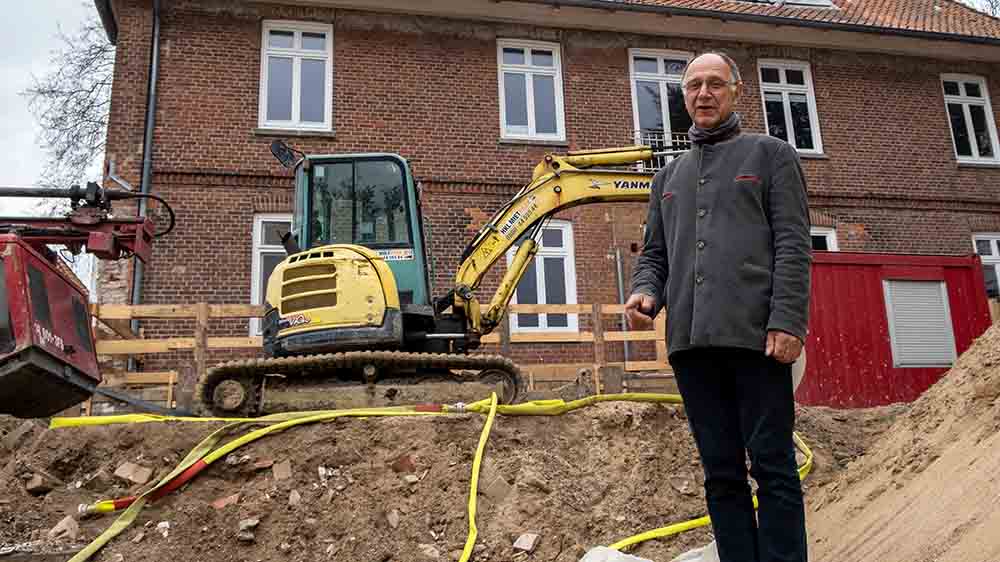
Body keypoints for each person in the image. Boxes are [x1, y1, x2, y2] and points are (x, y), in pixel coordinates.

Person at [625, 51, 812, 562]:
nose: (703, 94)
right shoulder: (667, 178)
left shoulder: (771, 155)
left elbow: (793, 244)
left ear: (735, 91)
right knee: (720, 473)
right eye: (694, 86)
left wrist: (788, 320)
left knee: (772, 465)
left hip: (757, 338)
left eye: (715, 83)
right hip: (691, 344)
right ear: (683, 96)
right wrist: (646, 291)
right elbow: (656, 254)